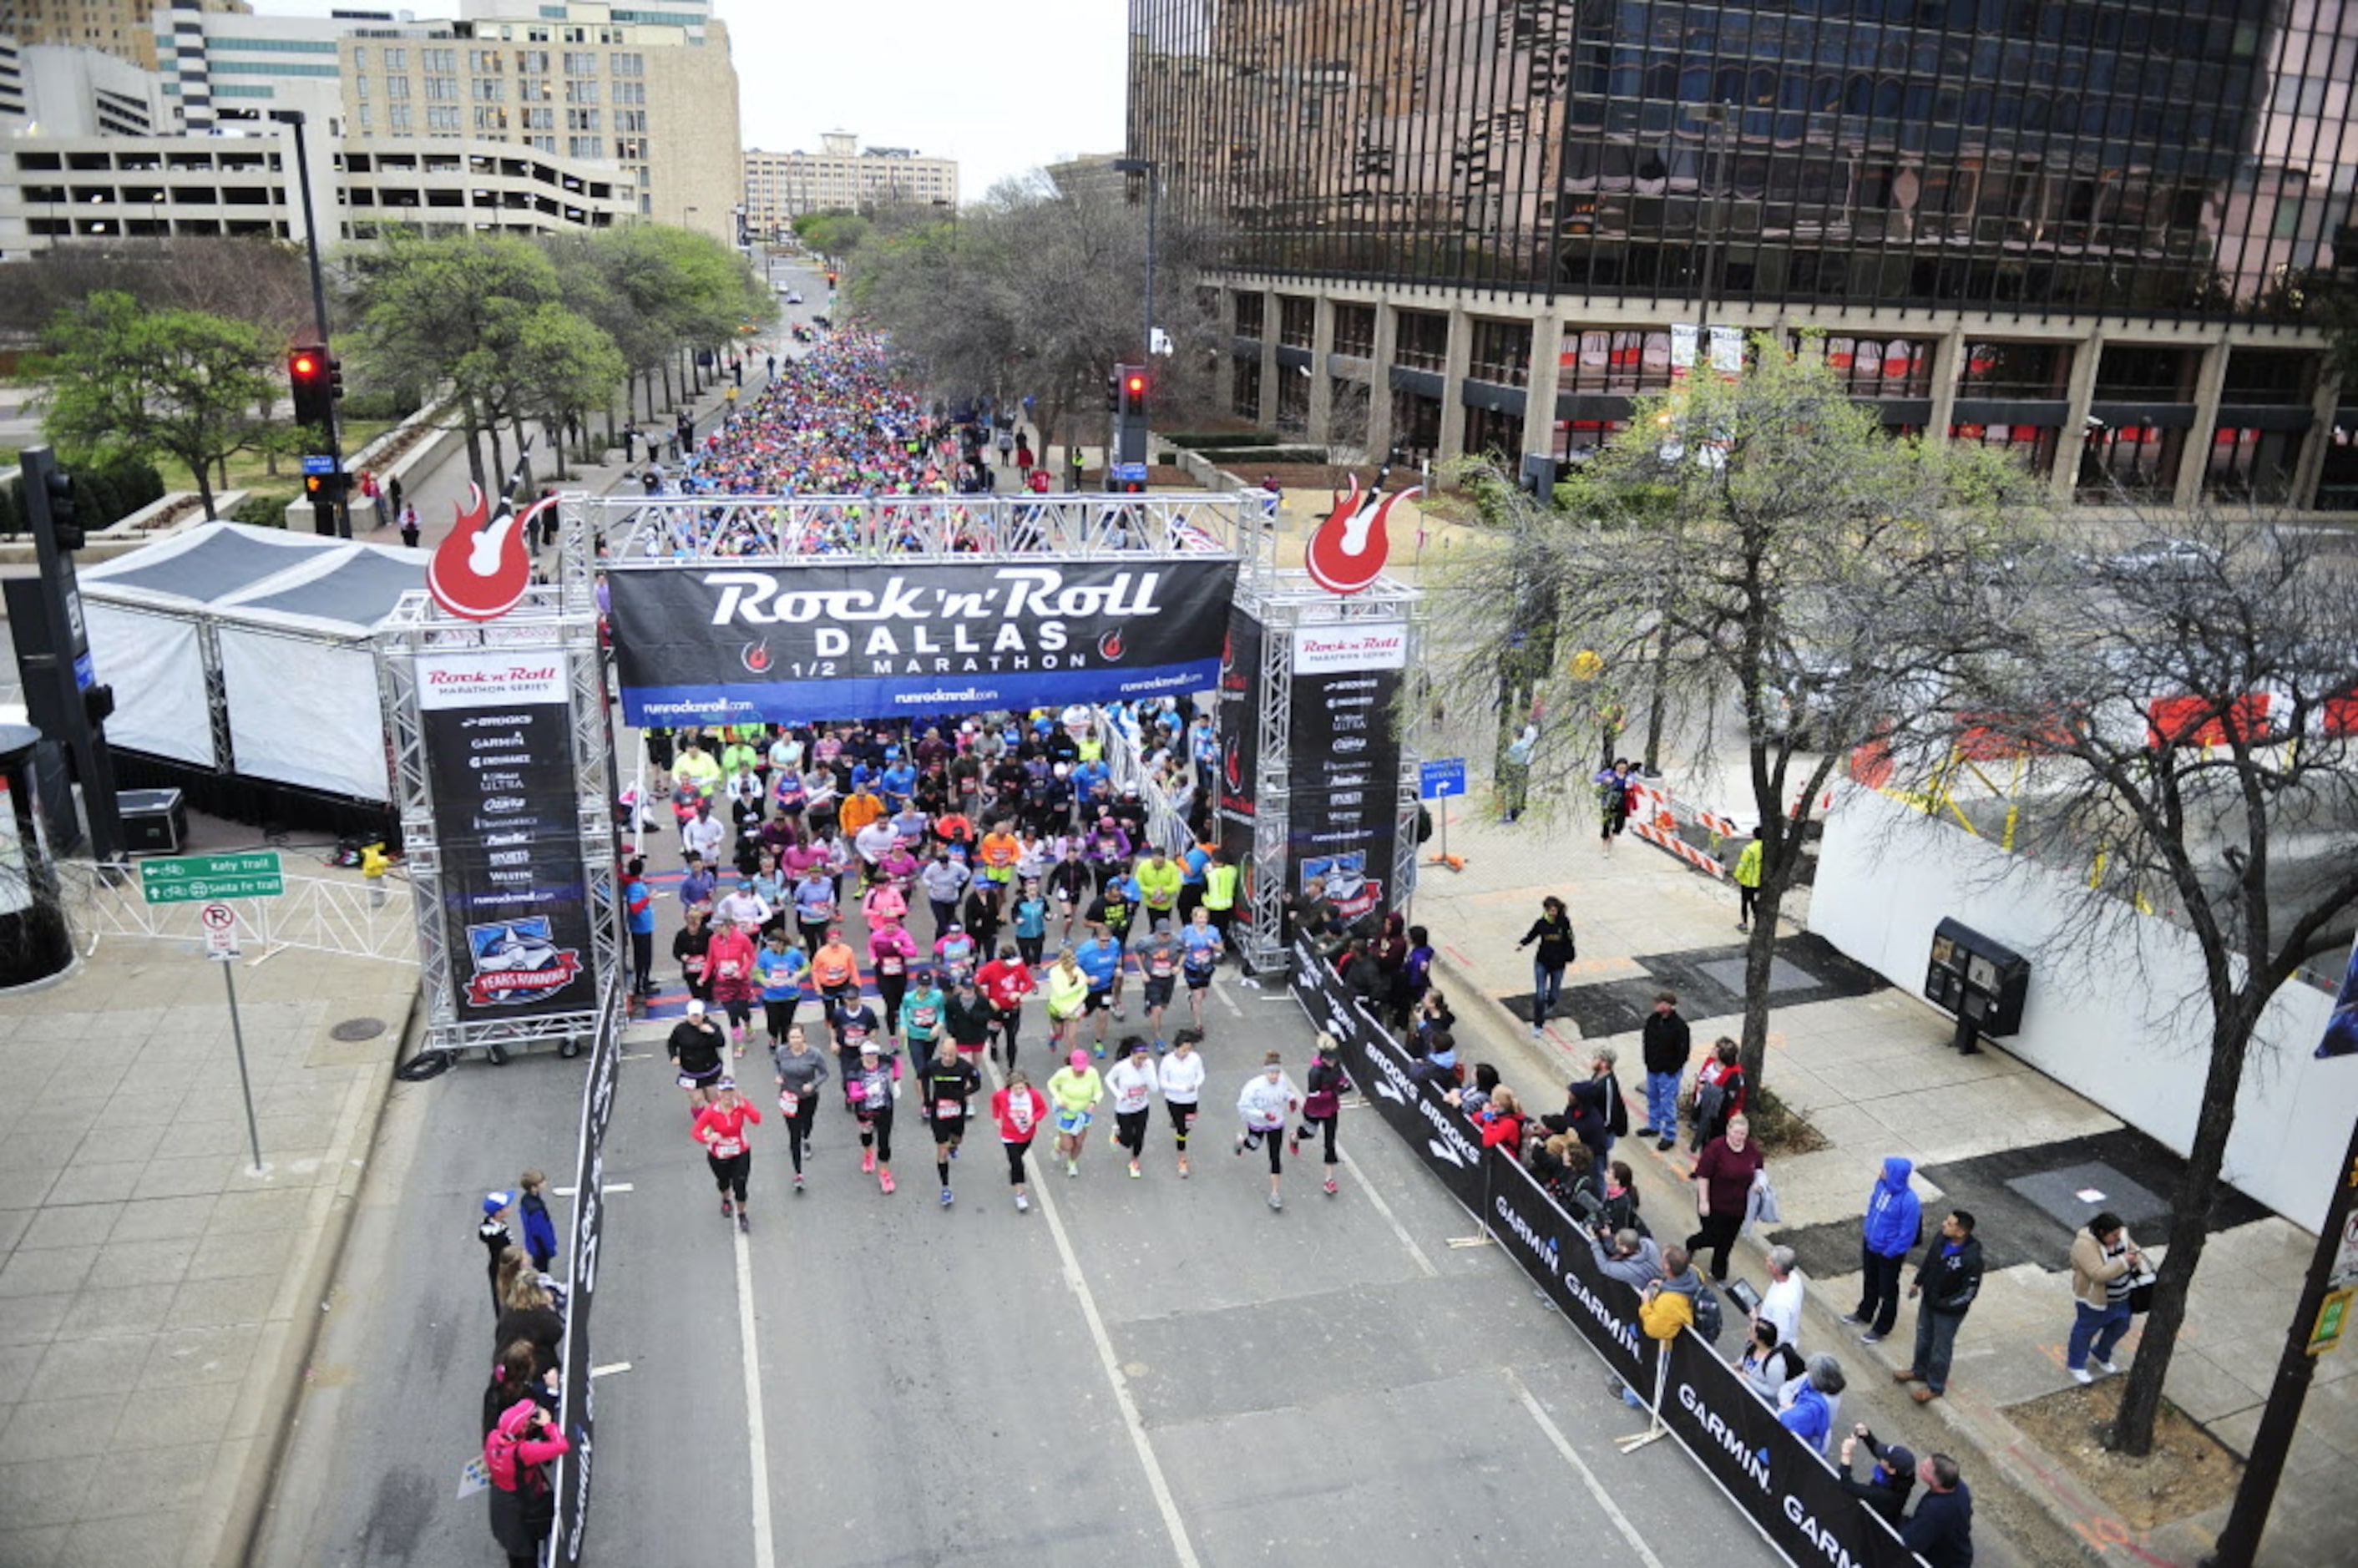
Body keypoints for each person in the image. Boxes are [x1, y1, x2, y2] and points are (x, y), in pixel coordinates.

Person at [1898, 1210, 1984, 1404]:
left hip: (1948, 1312)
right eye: (1946, 1220)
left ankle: (1935, 1386)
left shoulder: (1972, 1259)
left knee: (1941, 1347)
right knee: (1923, 1337)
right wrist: (1918, 1282)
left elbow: (1969, 1292)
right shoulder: (1941, 1239)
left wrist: (1945, 1305)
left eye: (1950, 1223)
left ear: (1961, 1232)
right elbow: (1930, 1261)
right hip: (1929, 1300)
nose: (1944, 1224)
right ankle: (1919, 1370)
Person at [484, 1386, 569, 1568]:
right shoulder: (523, 1452)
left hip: (500, 1502)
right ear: (523, 1427)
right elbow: (562, 1446)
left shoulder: (493, 1438)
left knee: (515, 1552)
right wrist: (548, 1425)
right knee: (527, 1554)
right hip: (522, 1507)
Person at [1846, 1156, 1922, 1345]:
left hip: (1889, 1253)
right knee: (1870, 1281)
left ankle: (1882, 1327)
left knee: (1888, 1291)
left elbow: (1908, 1233)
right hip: (1871, 1244)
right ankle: (1865, 1313)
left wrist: (1890, 1251)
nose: (1881, 1171)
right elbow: (1872, 1207)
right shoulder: (1880, 1186)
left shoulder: (1909, 1201)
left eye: (1886, 1169)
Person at [1687, 1113, 1766, 1283]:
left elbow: (1759, 1170)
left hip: (1738, 1208)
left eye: (1743, 1134)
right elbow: (1703, 1176)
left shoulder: (1751, 1150)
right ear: (1728, 1130)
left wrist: (1758, 1184)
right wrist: (1703, 1201)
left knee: (1727, 1242)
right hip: (1715, 1205)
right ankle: (1692, 1243)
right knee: (1713, 1237)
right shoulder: (1716, 1148)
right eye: (1736, 1133)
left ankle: (1719, 1272)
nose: (1739, 1137)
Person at [2067, 1211, 2142, 1383]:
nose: (2118, 1238)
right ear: (2102, 1232)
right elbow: (2098, 1275)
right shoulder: (2084, 1246)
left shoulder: (2121, 1235)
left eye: (2119, 1234)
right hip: (2096, 1301)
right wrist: (2124, 1262)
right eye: (2114, 1235)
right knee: (2085, 1332)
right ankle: (2076, 1364)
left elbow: (2135, 1250)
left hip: (2122, 1298)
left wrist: (2134, 1259)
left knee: (2120, 1327)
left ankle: (2101, 1353)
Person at [1235, 1049, 1302, 1211]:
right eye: (1271, 1073)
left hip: (1276, 1124)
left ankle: (1275, 1194)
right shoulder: (1254, 1086)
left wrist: (1291, 1099)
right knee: (1254, 1145)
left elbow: (1285, 1093)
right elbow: (1243, 1106)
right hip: (1257, 1122)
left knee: (1275, 1156)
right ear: (1265, 1072)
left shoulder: (1282, 1081)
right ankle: (1242, 1142)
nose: (1274, 1076)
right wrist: (1263, 1114)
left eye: (1277, 1073)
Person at [693, 1080, 762, 1232]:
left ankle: (742, 1214)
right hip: (718, 1154)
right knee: (723, 1181)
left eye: (730, 1091)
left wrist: (745, 1106)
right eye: (724, 1092)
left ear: (735, 1092)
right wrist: (708, 1138)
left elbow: (757, 1119)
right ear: (718, 1094)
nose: (727, 1095)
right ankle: (725, 1198)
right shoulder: (712, 1110)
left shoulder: (740, 1105)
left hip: (740, 1151)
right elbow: (696, 1132)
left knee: (740, 1185)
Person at [918, 1038, 980, 1207]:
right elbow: (922, 1078)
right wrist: (926, 1099)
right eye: (944, 1054)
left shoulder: (965, 1067)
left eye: (950, 1055)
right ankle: (945, 1188)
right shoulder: (933, 1066)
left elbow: (977, 1084)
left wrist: (963, 1094)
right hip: (939, 1114)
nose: (947, 1058)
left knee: (957, 1140)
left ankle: (954, 1145)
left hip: (957, 1112)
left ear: (956, 1053)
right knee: (942, 1151)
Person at [771, 1024, 827, 1193]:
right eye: (792, 1037)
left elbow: (824, 1073)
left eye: (797, 1037)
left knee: (807, 1123)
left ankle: (807, 1139)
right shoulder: (782, 1051)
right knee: (794, 1134)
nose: (794, 1041)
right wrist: (778, 1076)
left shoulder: (814, 1054)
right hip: (788, 1098)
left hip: (808, 1097)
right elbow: (776, 1063)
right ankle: (798, 1174)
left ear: (804, 1037)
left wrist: (813, 1084)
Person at [847, 1037, 903, 1195]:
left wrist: (897, 1081)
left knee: (884, 1141)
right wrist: (868, 1092)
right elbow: (852, 1095)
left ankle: (884, 1173)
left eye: (874, 1054)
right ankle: (868, 1153)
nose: (871, 1058)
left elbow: (897, 1062)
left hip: (884, 1108)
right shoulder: (855, 1069)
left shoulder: (884, 1060)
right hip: (865, 1110)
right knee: (867, 1135)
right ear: (862, 1055)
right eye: (867, 1054)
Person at [1516, 896, 1576, 1035]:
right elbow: (1532, 935)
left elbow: (1570, 939)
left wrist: (1569, 953)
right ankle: (1538, 1024)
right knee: (1540, 994)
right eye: (1550, 911)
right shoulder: (1541, 923)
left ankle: (1550, 1005)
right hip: (1542, 962)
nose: (1552, 913)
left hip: (1558, 964)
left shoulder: (1564, 922)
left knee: (1554, 993)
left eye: (1554, 910)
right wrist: (1522, 944)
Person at [1637, 990, 1689, 1149]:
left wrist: (1672, 1069)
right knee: (1652, 1098)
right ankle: (1653, 1126)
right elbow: (1647, 1041)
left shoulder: (1680, 1027)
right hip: (1653, 1068)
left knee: (1668, 1103)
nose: (1655, 1005)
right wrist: (1648, 1061)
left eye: (1659, 1003)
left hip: (1668, 1073)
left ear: (1667, 1006)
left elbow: (1683, 1052)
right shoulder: (1652, 1021)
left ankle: (1669, 1134)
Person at [1836, 1425, 1918, 1528]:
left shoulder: (1885, 1495)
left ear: (1892, 1470)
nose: (1881, 1458)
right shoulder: (1905, 1474)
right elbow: (1880, 1454)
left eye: (1884, 1458)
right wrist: (1867, 1436)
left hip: (1874, 1525)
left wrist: (1846, 1453)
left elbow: (1848, 1485)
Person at [1902, 1454, 1975, 1568]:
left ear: (1937, 1483)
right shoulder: (1961, 1488)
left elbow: (1911, 1542)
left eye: (1926, 1469)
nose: (1922, 1466)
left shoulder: (1933, 1511)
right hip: (1959, 1553)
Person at [1298, 1032, 1349, 1197]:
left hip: (1331, 1109)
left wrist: (1343, 1084)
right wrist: (1333, 1092)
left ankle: (1329, 1180)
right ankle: (1295, 1136)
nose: (1333, 1062)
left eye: (1334, 1059)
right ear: (1323, 1057)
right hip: (1315, 1108)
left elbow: (1340, 1077)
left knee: (1330, 1141)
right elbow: (1313, 1095)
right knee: (1308, 1133)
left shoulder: (1336, 1064)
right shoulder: (1315, 1072)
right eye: (1330, 1059)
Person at [994, 1066, 1050, 1213]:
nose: (1019, 1091)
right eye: (1016, 1089)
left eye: (1022, 1088)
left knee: (1018, 1158)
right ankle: (1020, 1194)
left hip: (1027, 1134)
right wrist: (996, 1118)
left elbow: (1043, 1109)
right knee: (1017, 1163)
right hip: (1009, 1135)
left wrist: (1033, 1119)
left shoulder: (1034, 1095)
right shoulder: (1002, 1095)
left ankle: (1014, 1171)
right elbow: (994, 1102)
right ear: (1009, 1087)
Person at [1102, 1036, 1159, 1179]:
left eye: (1144, 1058)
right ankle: (1117, 1135)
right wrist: (1118, 1094)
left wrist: (1148, 1074)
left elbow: (1155, 1089)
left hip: (1142, 1107)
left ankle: (1134, 1161)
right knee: (1127, 1140)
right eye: (1139, 1058)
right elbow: (1108, 1079)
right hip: (1124, 1109)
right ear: (1132, 1055)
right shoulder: (1122, 1067)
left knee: (1139, 1136)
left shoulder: (1149, 1065)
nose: (1142, 1062)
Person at [1046, 1048, 1105, 1178]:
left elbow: (1099, 1091)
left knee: (1078, 1142)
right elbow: (1051, 1084)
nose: (1081, 1071)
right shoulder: (1063, 1073)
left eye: (1083, 1068)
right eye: (1078, 1069)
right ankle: (1059, 1144)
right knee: (1067, 1145)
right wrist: (1059, 1099)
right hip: (1067, 1113)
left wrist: (1093, 1103)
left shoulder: (1092, 1073)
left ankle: (1072, 1162)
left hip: (1084, 1114)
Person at [977, 943, 1035, 1069]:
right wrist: (988, 1000)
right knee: (993, 1033)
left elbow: (1029, 982)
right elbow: (976, 983)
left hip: (1013, 1009)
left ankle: (1011, 1067)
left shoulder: (1018, 966)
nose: (1012, 966)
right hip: (995, 1010)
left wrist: (1019, 993)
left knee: (1011, 1038)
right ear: (1002, 960)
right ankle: (993, 1044)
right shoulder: (990, 968)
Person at [706, 916, 758, 1055]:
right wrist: (703, 976)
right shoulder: (713, 940)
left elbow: (752, 957)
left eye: (719, 926)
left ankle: (748, 1025)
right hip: (723, 982)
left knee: (742, 1009)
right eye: (715, 927)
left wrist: (741, 972)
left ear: (728, 926)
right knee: (732, 1013)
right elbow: (710, 959)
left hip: (739, 981)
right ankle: (740, 1044)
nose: (716, 929)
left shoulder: (742, 938)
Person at [668, 999, 728, 1117]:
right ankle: (702, 1121)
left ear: (703, 1015)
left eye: (697, 1015)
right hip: (690, 1071)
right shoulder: (681, 1029)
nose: (695, 1019)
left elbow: (721, 1042)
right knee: (697, 1099)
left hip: (709, 1070)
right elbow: (672, 1043)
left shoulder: (713, 1027)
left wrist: (712, 1033)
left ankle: (717, 1118)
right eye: (692, 1016)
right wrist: (673, 1056)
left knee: (712, 1098)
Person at [1778, 1353, 1846, 1456]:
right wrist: (1787, 1404)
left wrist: (1789, 1408)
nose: (1807, 1374)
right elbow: (1787, 1388)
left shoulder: (1820, 1404)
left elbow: (1789, 1421)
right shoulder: (1812, 1378)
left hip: (1806, 1445)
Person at [1161, 1027, 1207, 1176]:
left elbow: (1201, 1075)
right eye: (1183, 1050)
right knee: (1182, 1131)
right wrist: (1180, 1088)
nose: (1185, 1053)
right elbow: (1163, 1082)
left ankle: (1177, 1122)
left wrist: (1195, 1085)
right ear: (1177, 1047)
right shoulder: (1167, 1061)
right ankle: (1182, 1160)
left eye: (1188, 1050)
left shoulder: (1195, 1058)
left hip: (1191, 1098)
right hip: (1174, 1099)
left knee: (1188, 1125)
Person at [754, 929, 807, 1052]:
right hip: (771, 996)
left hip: (791, 995)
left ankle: (785, 1042)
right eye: (768, 945)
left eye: (772, 945)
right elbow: (758, 972)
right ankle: (773, 1036)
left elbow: (806, 966)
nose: (770, 947)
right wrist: (764, 981)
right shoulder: (765, 954)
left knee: (787, 1022)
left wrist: (798, 975)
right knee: (773, 1021)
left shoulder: (794, 953)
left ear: (781, 943)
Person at [1690, 1036, 1746, 1151]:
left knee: (1714, 1145)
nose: (1713, 1050)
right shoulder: (1711, 1062)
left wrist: (1705, 1089)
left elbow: (1728, 1099)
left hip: (1718, 1117)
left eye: (1716, 1049)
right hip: (1704, 1109)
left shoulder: (1733, 1076)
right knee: (1704, 1143)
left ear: (1722, 1055)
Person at [1737, 1318, 1804, 1403]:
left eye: (1751, 1330)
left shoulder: (1775, 1365)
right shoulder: (1752, 1346)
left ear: (1760, 1339)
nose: (1747, 1330)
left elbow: (1773, 1392)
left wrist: (1747, 1379)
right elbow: (1745, 1360)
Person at [1756, 1244, 1805, 1354]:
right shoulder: (1794, 1278)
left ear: (1776, 1269)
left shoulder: (1781, 1303)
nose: (1766, 1259)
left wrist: (1756, 1321)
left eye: (1770, 1260)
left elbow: (1780, 1335)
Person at [1180, 904, 1222, 1031]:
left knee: (1203, 994)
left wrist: (1213, 945)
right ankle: (1198, 1024)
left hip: (1207, 967)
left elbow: (1221, 948)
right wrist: (1185, 946)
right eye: (1199, 917)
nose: (1202, 920)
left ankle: (1191, 998)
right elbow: (1178, 946)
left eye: (1204, 917)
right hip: (1192, 967)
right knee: (1198, 998)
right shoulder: (1187, 931)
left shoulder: (1213, 931)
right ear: (1193, 919)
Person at [622, 858, 656, 998]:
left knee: (644, 955)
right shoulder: (635, 887)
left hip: (643, 924)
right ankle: (642, 984)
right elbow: (635, 907)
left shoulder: (633, 882)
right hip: (641, 925)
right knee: (644, 956)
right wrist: (648, 898)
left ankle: (644, 980)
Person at [478, 1191, 517, 1312]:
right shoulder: (497, 1236)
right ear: (498, 1213)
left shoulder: (495, 1225)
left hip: (502, 1265)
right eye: (507, 1207)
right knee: (504, 1298)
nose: (510, 1208)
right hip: (503, 1267)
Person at [517, 1170, 558, 1272]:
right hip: (540, 1247)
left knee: (538, 1266)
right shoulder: (536, 1209)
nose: (545, 1183)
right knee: (542, 1269)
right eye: (541, 1182)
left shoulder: (525, 1200)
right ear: (534, 1188)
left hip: (533, 1244)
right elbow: (541, 1232)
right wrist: (550, 1249)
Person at [672, 907, 714, 1006]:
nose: (694, 926)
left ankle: (710, 999)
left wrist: (707, 957)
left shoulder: (708, 933)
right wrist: (682, 956)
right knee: (695, 992)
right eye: (691, 922)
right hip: (690, 969)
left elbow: (713, 949)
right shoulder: (681, 935)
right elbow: (676, 950)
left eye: (696, 922)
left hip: (705, 967)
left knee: (708, 989)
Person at [1595, 757, 1635, 853]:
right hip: (1608, 802)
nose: (1621, 770)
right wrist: (1605, 779)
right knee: (1606, 823)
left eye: (1624, 768)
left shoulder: (1629, 776)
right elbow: (1596, 778)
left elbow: (1633, 782)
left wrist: (1630, 783)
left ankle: (1613, 834)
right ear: (1616, 767)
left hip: (1621, 803)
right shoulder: (1610, 773)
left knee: (1620, 824)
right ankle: (1605, 843)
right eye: (1619, 768)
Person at [1499, 722, 1536, 822]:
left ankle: (1511, 816)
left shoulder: (1516, 747)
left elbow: (1505, 757)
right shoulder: (1527, 745)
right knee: (1518, 791)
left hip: (1513, 770)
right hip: (1522, 768)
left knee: (1512, 792)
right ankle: (1516, 813)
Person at [1733, 827, 1764, 931]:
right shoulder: (1766, 848)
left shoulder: (1749, 849)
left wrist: (1737, 876)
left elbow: (1742, 865)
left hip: (1748, 881)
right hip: (1760, 882)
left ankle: (1745, 924)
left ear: (1753, 835)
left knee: (1745, 902)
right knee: (1755, 903)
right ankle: (1759, 924)